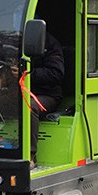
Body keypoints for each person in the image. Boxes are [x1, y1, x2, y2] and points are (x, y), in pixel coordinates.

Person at [28, 32, 64, 167]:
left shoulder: (49, 43)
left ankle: (30, 155)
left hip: (46, 94)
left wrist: (28, 74)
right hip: (14, 92)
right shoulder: (9, 39)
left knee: (28, 106)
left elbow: (56, 74)